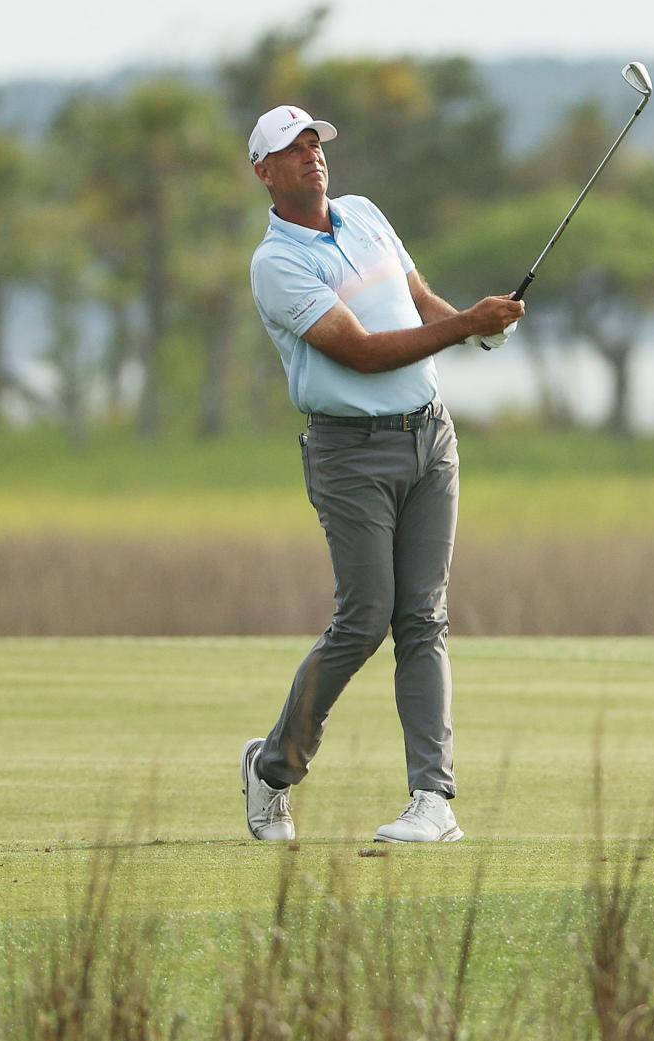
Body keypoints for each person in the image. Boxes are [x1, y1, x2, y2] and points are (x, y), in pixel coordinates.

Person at [238, 104, 525, 844]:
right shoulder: (277, 264)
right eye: (292, 150)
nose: (312, 156)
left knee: (422, 617)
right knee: (364, 619)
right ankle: (274, 767)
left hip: (431, 436)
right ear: (264, 172)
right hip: (349, 453)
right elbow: (360, 351)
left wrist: (470, 321)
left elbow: (417, 300)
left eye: (316, 144)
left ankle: (433, 799)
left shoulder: (363, 213)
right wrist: (463, 326)